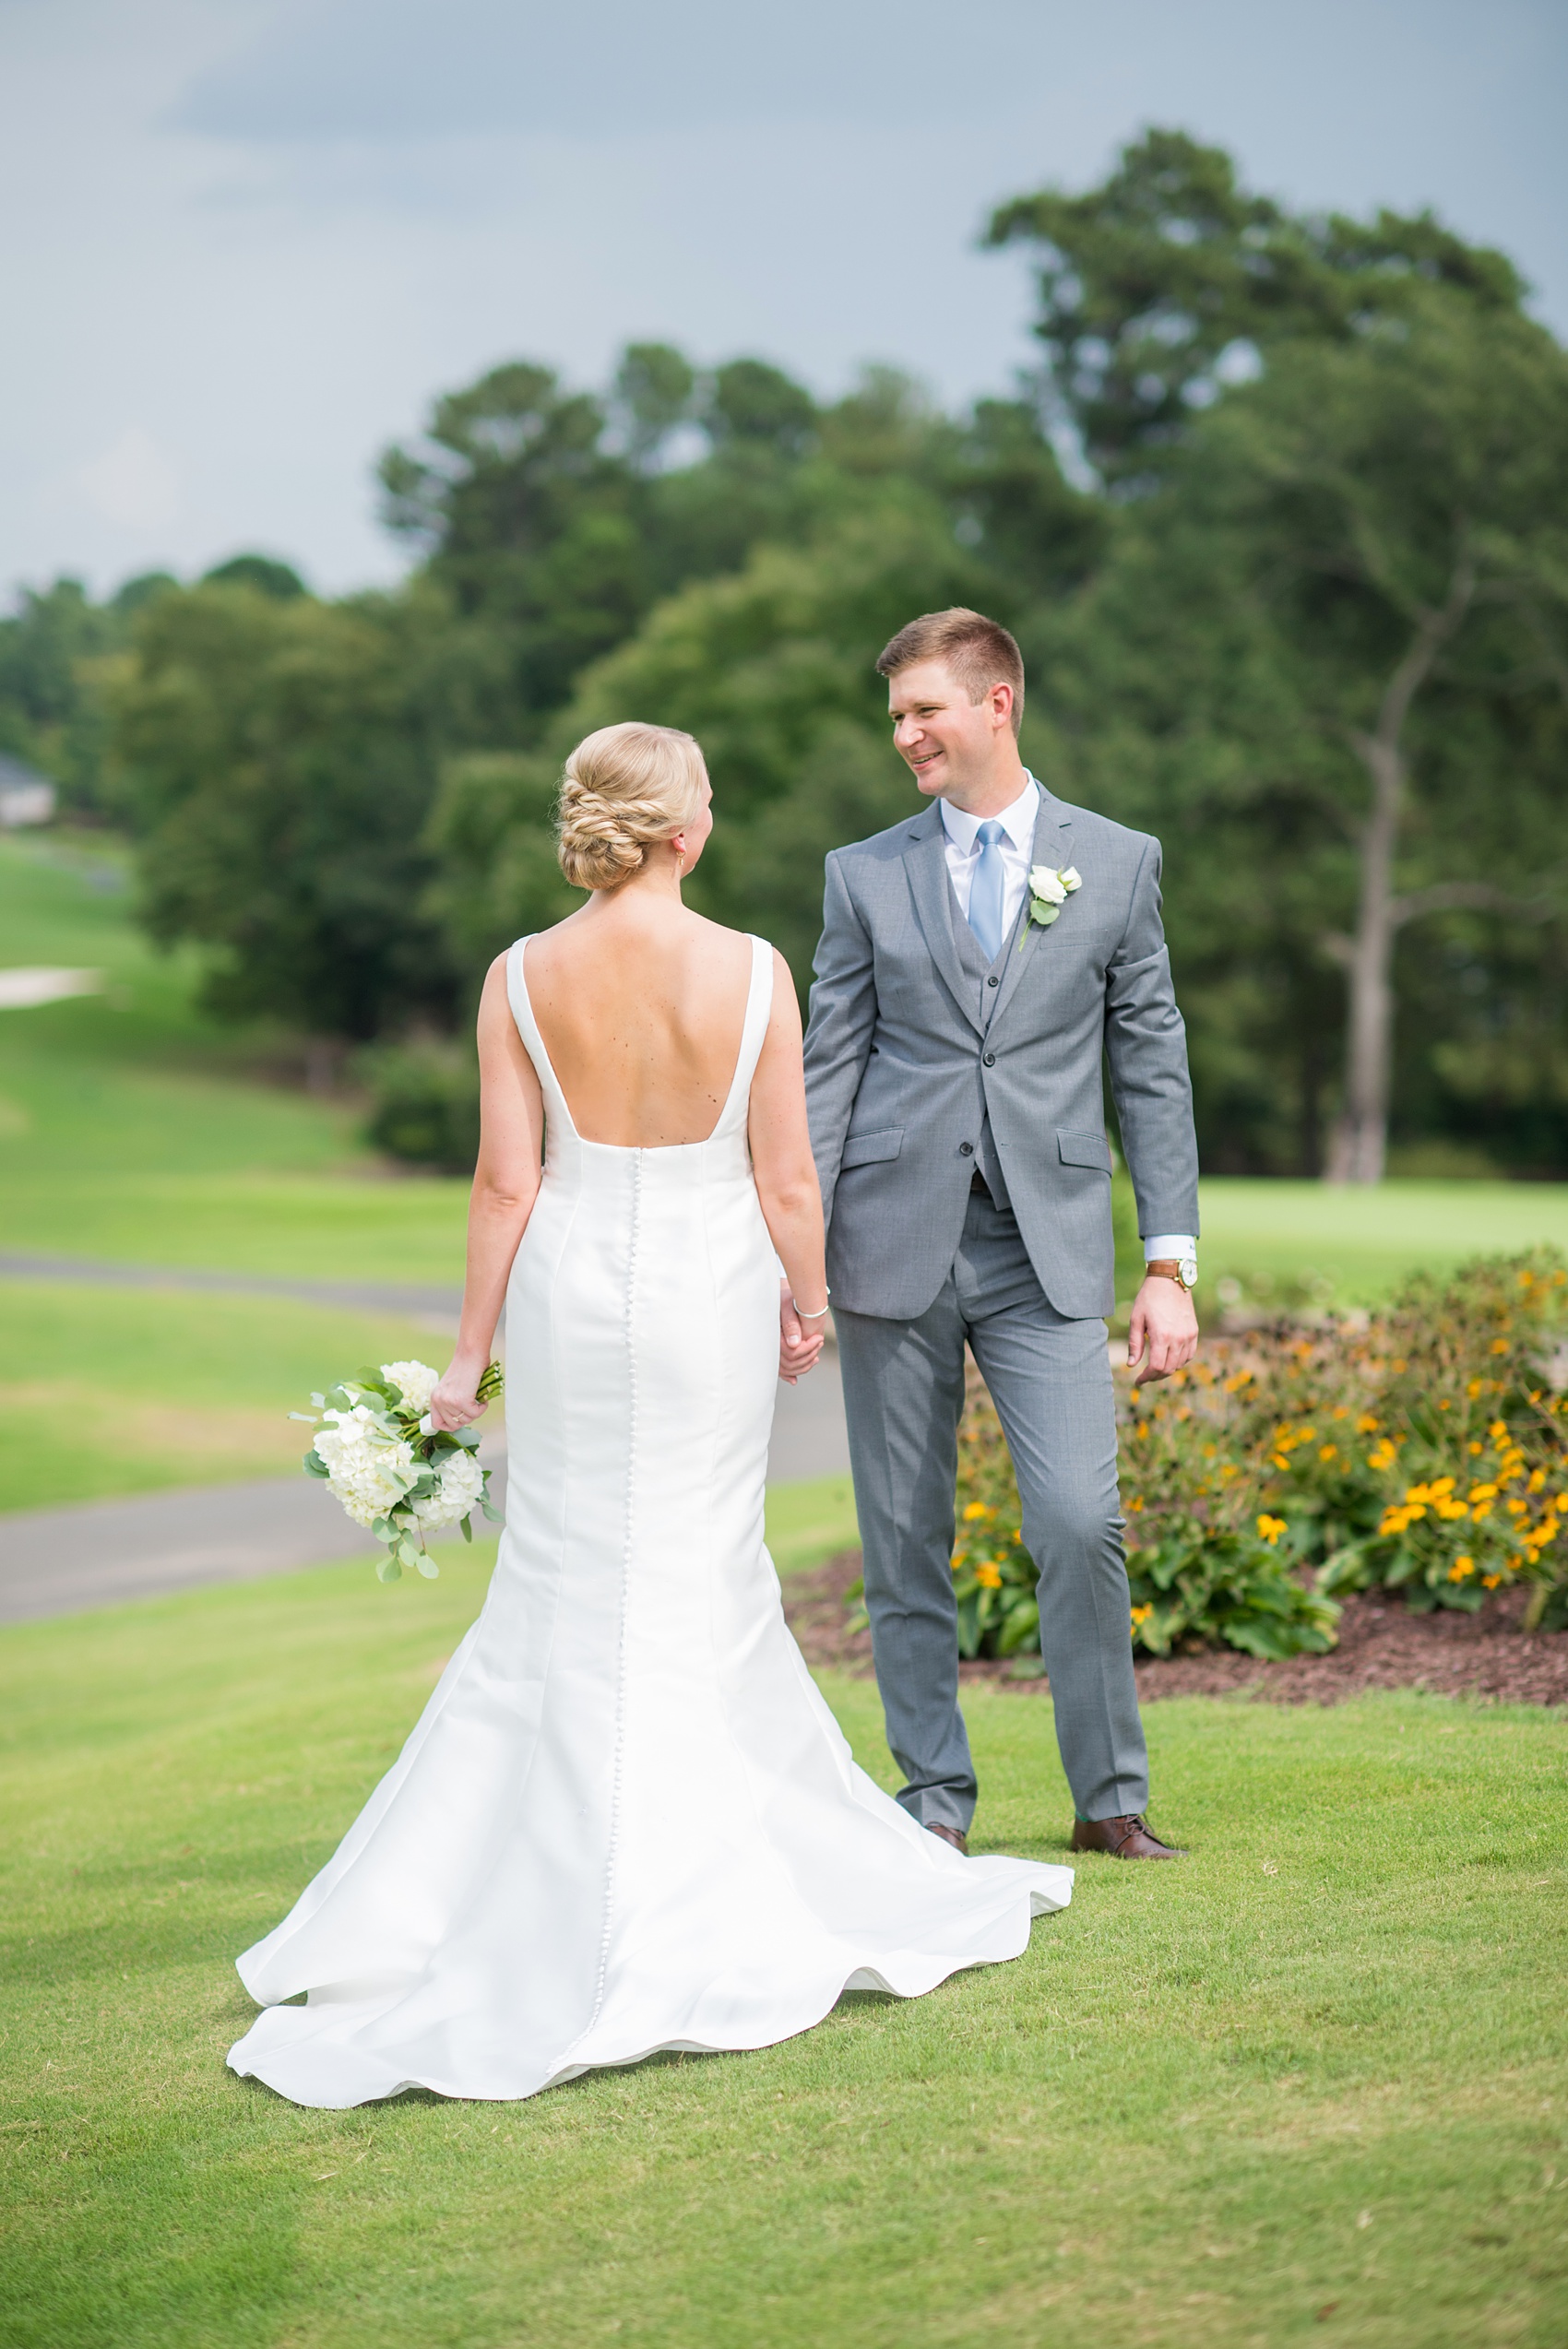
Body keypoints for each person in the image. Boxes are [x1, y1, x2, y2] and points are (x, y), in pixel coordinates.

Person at [227, 719, 1071, 2110]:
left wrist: (463, 1359)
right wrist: (807, 1303)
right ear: (686, 830)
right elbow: (787, 1177)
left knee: (560, 1575)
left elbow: (505, 1186)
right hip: (707, 1292)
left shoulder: (518, 974)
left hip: (567, 1290)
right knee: (699, 1569)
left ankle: (499, 1894)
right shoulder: (751, 971)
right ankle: (700, 1884)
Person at [799, 609, 1200, 1863]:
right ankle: (933, 1805)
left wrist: (1170, 1261)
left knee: (1080, 1521)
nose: (907, 735)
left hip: (1049, 1247)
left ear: (997, 706)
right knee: (904, 1536)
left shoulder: (1117, 862)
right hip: (888, 1242)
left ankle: (1110, 1799)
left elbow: (1154, 1070)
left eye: (925, 711)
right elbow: (827, 1074)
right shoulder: (861, 874)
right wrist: (798, 1263)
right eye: (897, 718)